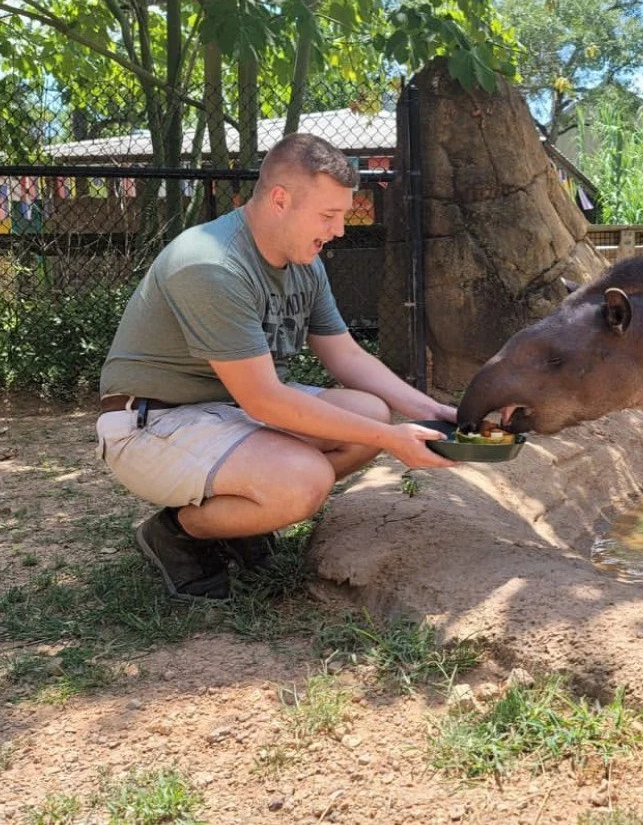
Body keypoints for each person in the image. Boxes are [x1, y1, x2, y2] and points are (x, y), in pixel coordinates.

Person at [96, 133, 456, 600]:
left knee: (369, 413)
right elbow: (264, 399)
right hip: (150, 422)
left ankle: (241, 516)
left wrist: (432, 412)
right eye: (329, 216)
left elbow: (344, 355)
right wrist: (391, 442)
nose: (339, 230)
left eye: (342, 215)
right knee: (305, 481)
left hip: (227, 412)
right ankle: (177, 532)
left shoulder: (302, 260)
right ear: (280, 200)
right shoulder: (212, 263)